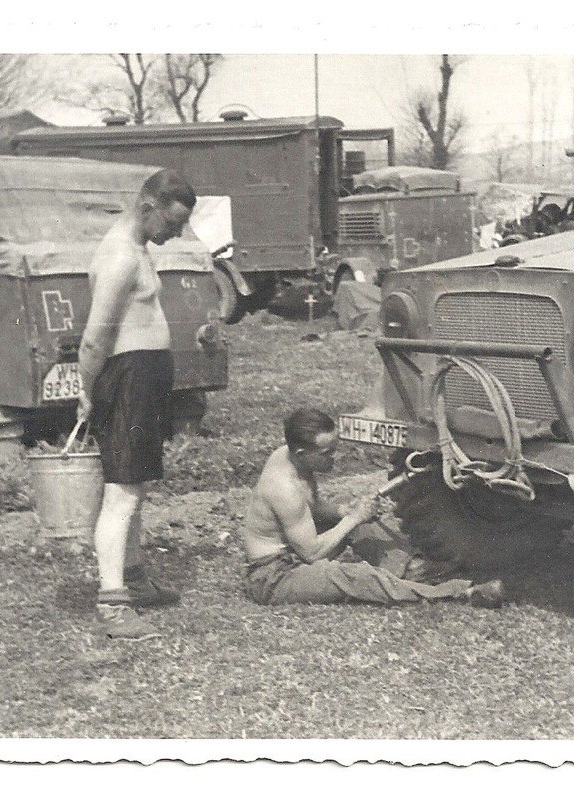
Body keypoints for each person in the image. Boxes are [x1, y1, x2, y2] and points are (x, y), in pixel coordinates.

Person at [76, 168, 197, 640]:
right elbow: (94, 337)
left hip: (142, 378)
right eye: (173, 221)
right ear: (147, 208)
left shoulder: (139, 249)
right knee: (122, 491)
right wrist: (87, 390)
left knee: (135, 485)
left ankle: (134, 578)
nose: (178, 231)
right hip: (126, 379)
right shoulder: (120, 256)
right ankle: (112, 603)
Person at [241, 408, 505, 608]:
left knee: (360, 521)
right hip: (274, 577)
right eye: (327, 454)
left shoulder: (293, 458)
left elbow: (312, 507)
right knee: (353, 576)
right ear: (301, 453)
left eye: (335, 448)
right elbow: (312, 554)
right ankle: (460, 593)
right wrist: (353, 518)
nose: (335, 458)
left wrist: (344, 512)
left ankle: (411, 571)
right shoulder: (284, 489)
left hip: (295, 550)